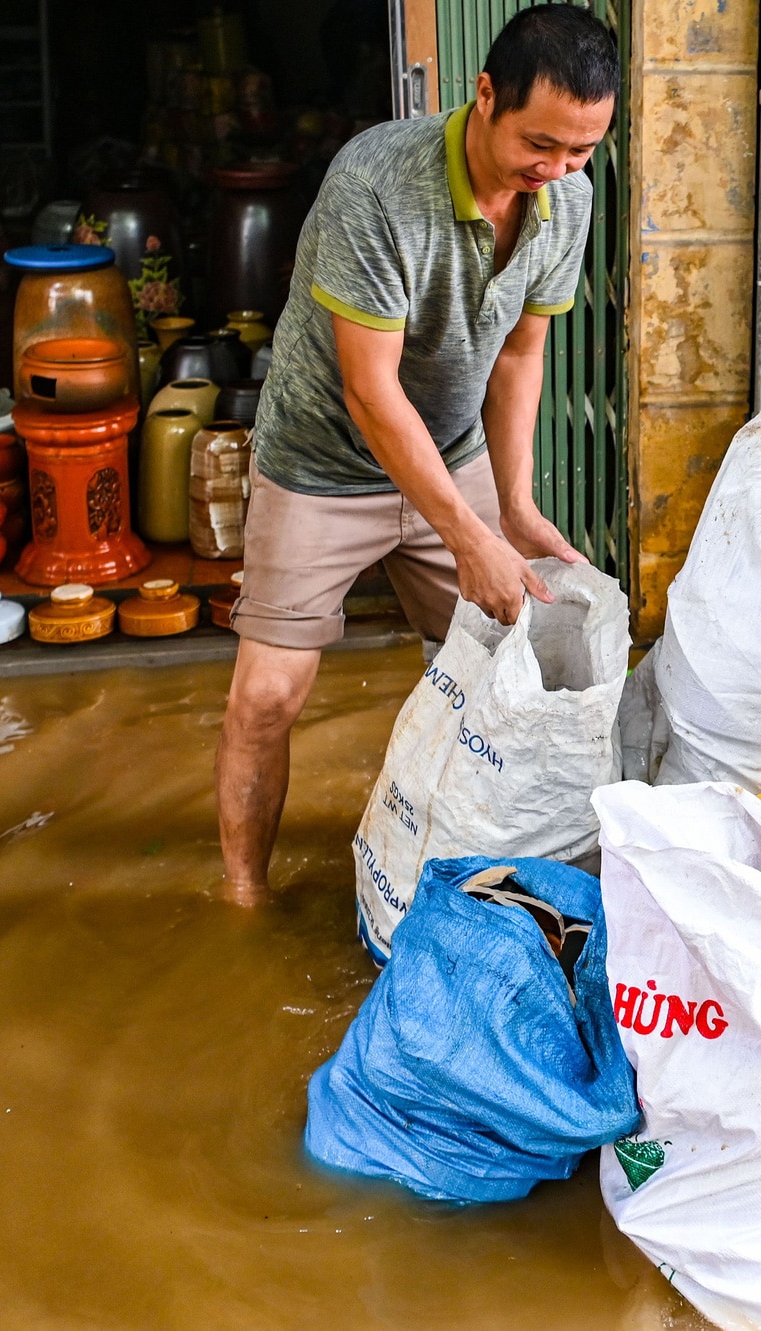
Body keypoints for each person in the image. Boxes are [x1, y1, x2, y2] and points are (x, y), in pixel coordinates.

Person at [216, 7, 618, 903]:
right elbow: (372, 391)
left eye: (583, 151)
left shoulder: (568, 201)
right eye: (541, 144)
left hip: (452, 447)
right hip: (321, 461)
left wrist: (510, 505)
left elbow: (521, 352)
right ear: (484, 97)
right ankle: (241, 900)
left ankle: (454, 877)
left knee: (501, 671)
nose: (557, 171)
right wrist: (468, 537)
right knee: (269, 696)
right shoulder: (374, 184)